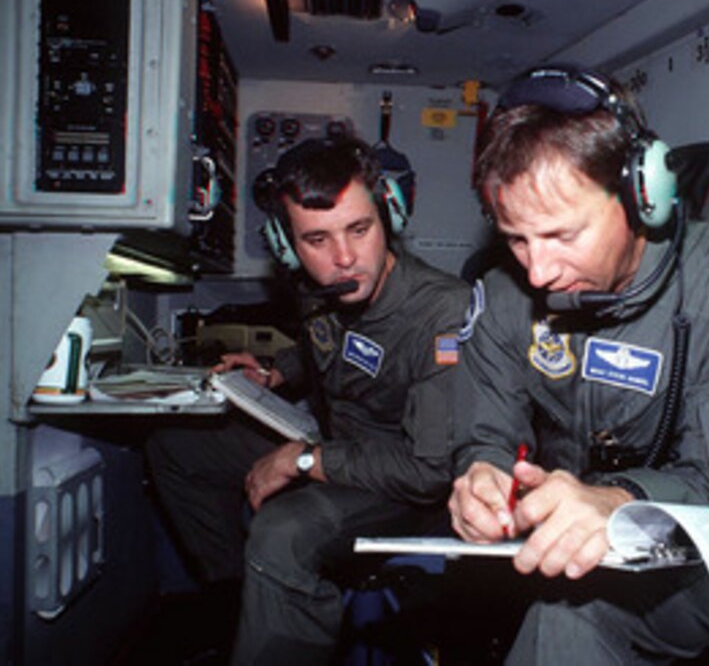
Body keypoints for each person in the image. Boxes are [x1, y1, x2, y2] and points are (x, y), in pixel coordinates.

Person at [447, 65, 709, 662]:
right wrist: (481, 478)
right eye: (516, 239)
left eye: (563, 235)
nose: (537, 272)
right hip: (551, 541)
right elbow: (485, 435)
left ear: (644, 196)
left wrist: (617, 504)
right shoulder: (503, 294)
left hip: (700, 555)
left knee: (569, 621)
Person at [145, 134, 470, 664]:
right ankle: (244, 605)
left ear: (389, 215)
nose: (343, 259)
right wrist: (275, 375)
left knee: (283, 534)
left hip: (403, 483)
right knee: (177, 448)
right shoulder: (319, 289)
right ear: (285, 245)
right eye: (316, 240)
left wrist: (303, 460)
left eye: (360, 229)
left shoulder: (441, 313)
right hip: (336, 449)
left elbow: (429, 468)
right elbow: (327, 346)